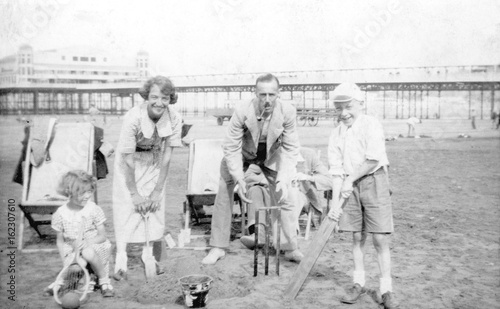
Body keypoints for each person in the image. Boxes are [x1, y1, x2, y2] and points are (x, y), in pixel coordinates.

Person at [202, 73, 303, 265]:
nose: (267, 100)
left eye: (271, 95)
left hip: (271, 156)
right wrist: (239, 177)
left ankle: (290, 247)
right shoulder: (242, 110)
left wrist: (283, 177)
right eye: (262, 95)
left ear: (278, 94)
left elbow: (291, 148)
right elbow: (231, 146)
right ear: (255, 93)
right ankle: (218, 247)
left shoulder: (288, 111)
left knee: (286, 195)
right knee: (224, 192)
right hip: (242, 154)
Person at [327, 83, 397, 308]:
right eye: (338, 108)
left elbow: (373, 159)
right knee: (357, 236)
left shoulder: (371, 124)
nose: (344, 113)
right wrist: (336, 204)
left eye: (348, 107)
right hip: (350, 186)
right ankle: (358, 283)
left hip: (374, 181)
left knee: (380, 238)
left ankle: (386, 289)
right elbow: (337, 172)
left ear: (360, 104)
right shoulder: (336, 133)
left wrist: (350, 179)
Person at [112, 76, 183, 280]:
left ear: (171, 99)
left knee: (153, 208)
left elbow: (168, 155)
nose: (159, 103)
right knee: (128, 207)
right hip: (129, 160)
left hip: (154, 159)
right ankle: (121, 258)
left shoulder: (175, 117)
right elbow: (127, 158)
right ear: (146, 96)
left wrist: (157, 190)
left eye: (165, 98)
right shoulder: (132, 117)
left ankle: (148, 254)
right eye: (154, 97)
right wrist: (134, 193)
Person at [48, 170, 114, 297]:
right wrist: (65, 260)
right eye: (82, 192)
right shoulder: (60, 214)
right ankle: (63, 281)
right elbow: (60, 241)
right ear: (69, 192)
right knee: (79, 264)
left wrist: (88, 242)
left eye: (89, 191)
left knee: (87, 252)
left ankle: (103, 280)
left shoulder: (93, 209)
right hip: (73, 249)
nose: (87, 195)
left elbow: (102, 236)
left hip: (95, 246)